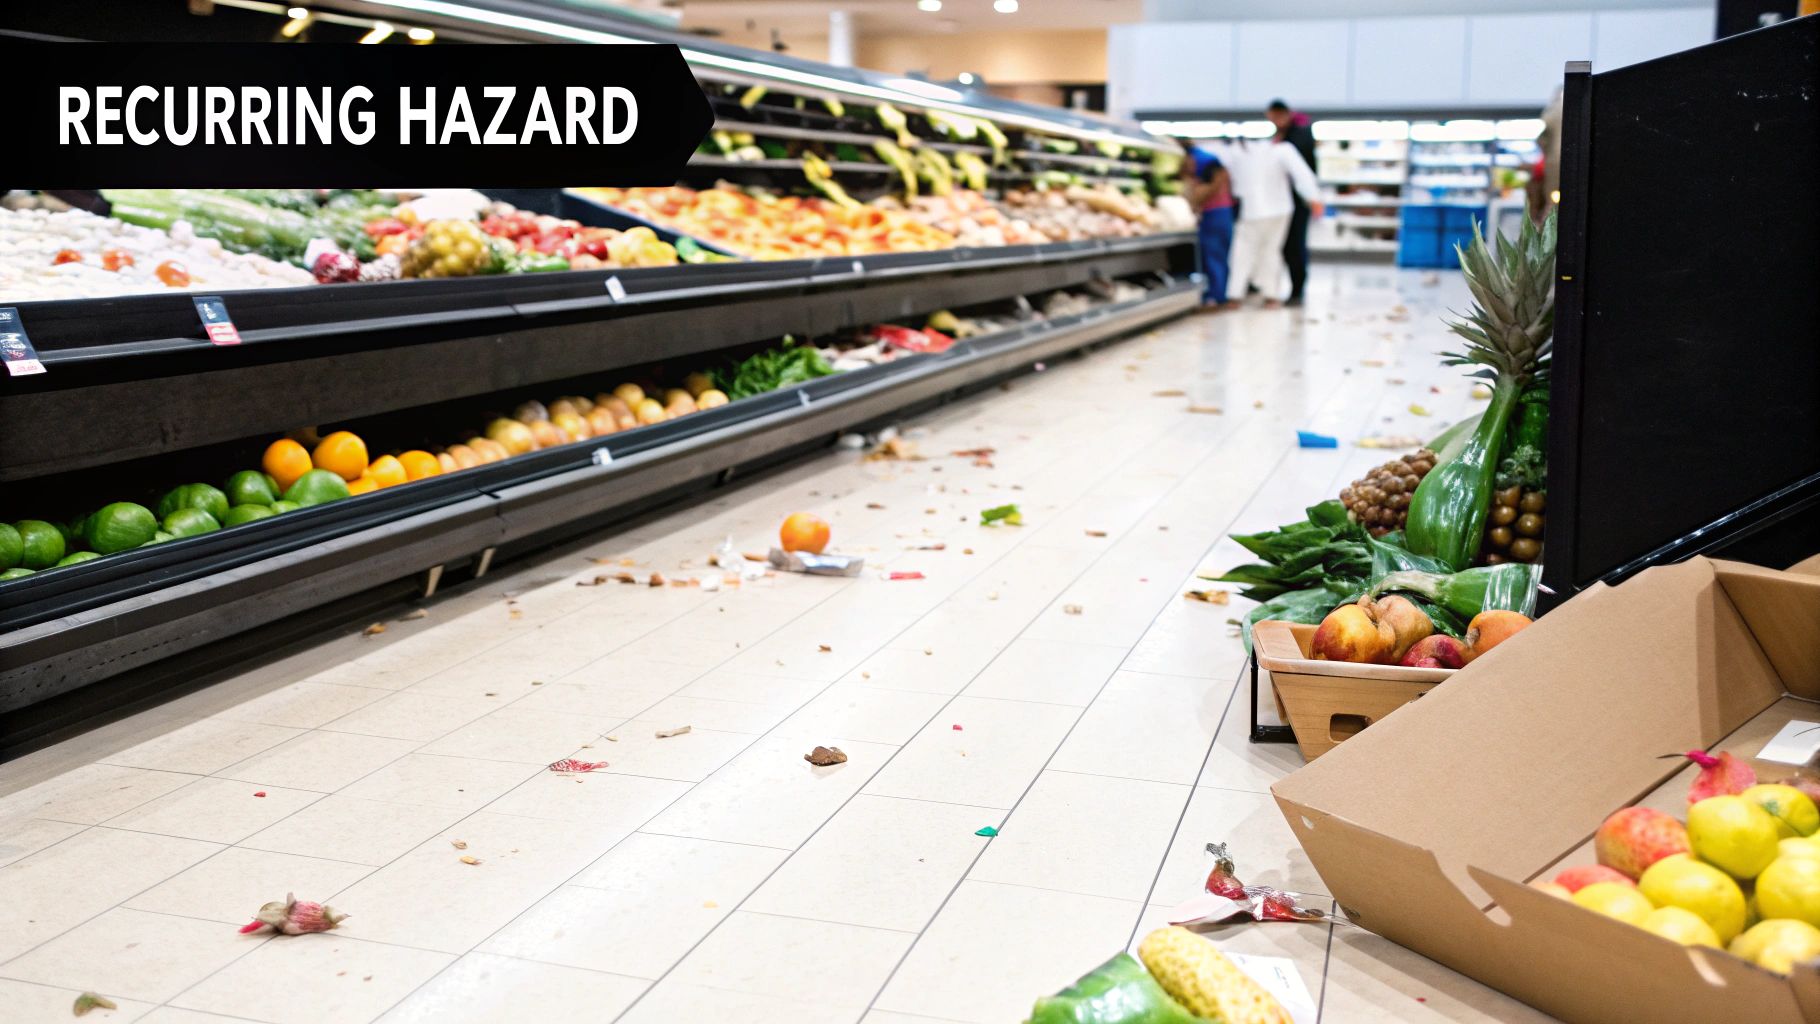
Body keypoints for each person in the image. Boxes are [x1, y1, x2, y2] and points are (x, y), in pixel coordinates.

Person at [1224, 136, 1322, 308]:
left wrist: (1313, 197)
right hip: (1277, 209)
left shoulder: (1234, 151)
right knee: (1270, 252)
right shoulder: (1281, 149)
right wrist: (1313, 197)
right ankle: (1271, 295)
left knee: (1243, 252)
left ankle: (1235, 295)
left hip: (1252, 210)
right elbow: (1302, 174)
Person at [1266, 99, 1318, 306]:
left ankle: (1297, 290)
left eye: (1277, 117)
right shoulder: (1283, 135)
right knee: (1285, 246)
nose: (1274, 121)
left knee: (1295, 246)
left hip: (1297, 202)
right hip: (1282, 200)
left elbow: (1303, 173)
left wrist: (1313, 198)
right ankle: (1283, 288)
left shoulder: (1299, 134)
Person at [1183, 149, 1234, 311]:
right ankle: (1220, 295)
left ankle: (1215, 297)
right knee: (1220, 258)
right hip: (1223, 214)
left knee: (1213, 258)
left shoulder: (1205, 166)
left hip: (1213, 216)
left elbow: (1200, 195)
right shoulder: (1213, 164)